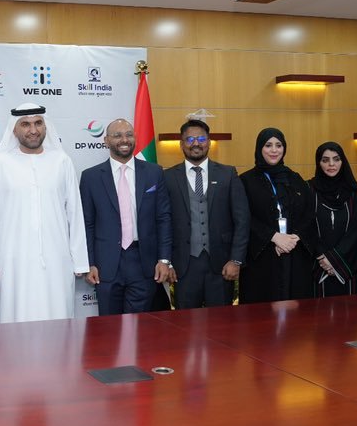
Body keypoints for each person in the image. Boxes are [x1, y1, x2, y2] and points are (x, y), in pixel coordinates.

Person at [0, 103, 88, 323]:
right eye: (26, 124)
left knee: (59, 318)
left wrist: (79, 261)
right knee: (16, 319)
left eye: (38, 123)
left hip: (57, 259)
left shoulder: (61, 161)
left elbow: (75, 214)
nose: (33, 130)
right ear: (14, 129)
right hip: (13, 259)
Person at [79, 118, 171, 315]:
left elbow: (163, 218)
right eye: (117, 135)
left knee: (140, 329)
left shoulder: (154, 173)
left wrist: (164, 260)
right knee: (109, 329)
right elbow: (87, 224)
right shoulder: (90, 177)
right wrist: (89, 262)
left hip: (144, 262)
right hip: (106, 265)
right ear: (106, 140)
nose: (124, 139)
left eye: (129, 134)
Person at [163, 119, 249, 309]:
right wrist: (166, 262)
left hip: (222, 265)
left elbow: (242, 220)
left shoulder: (228, 174)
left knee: (221, 327)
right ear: (181, 144)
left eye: (201, 138)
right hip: (183, 267)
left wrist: (236, 259)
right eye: (190, 139)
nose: (196, 143)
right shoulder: (167, 177)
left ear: (209, 142)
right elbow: (163, 223)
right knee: (185, 327)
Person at [239, 128, 317, 303]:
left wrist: (292, 239)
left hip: (294, 253)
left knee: (297, 316)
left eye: (279, 145)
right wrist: (273, 237)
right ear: (259, 148)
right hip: (262, 257)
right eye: (268, 145)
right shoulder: (246, 181)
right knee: (262, 316)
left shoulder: (295, 179)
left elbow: (309, 212)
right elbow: (244, 217)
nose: (274, 150)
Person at [309, 142, 357, 296]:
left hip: (350, 264)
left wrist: (335, 260)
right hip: (318, 266)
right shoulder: (309, 189)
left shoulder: (356, 192)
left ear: (343, 161)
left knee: (350, 316)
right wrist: (323, 257)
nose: (331, 164)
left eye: (336, 159)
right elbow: (307, 228)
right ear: (318, 163)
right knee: (315, 317)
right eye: (325, 160)